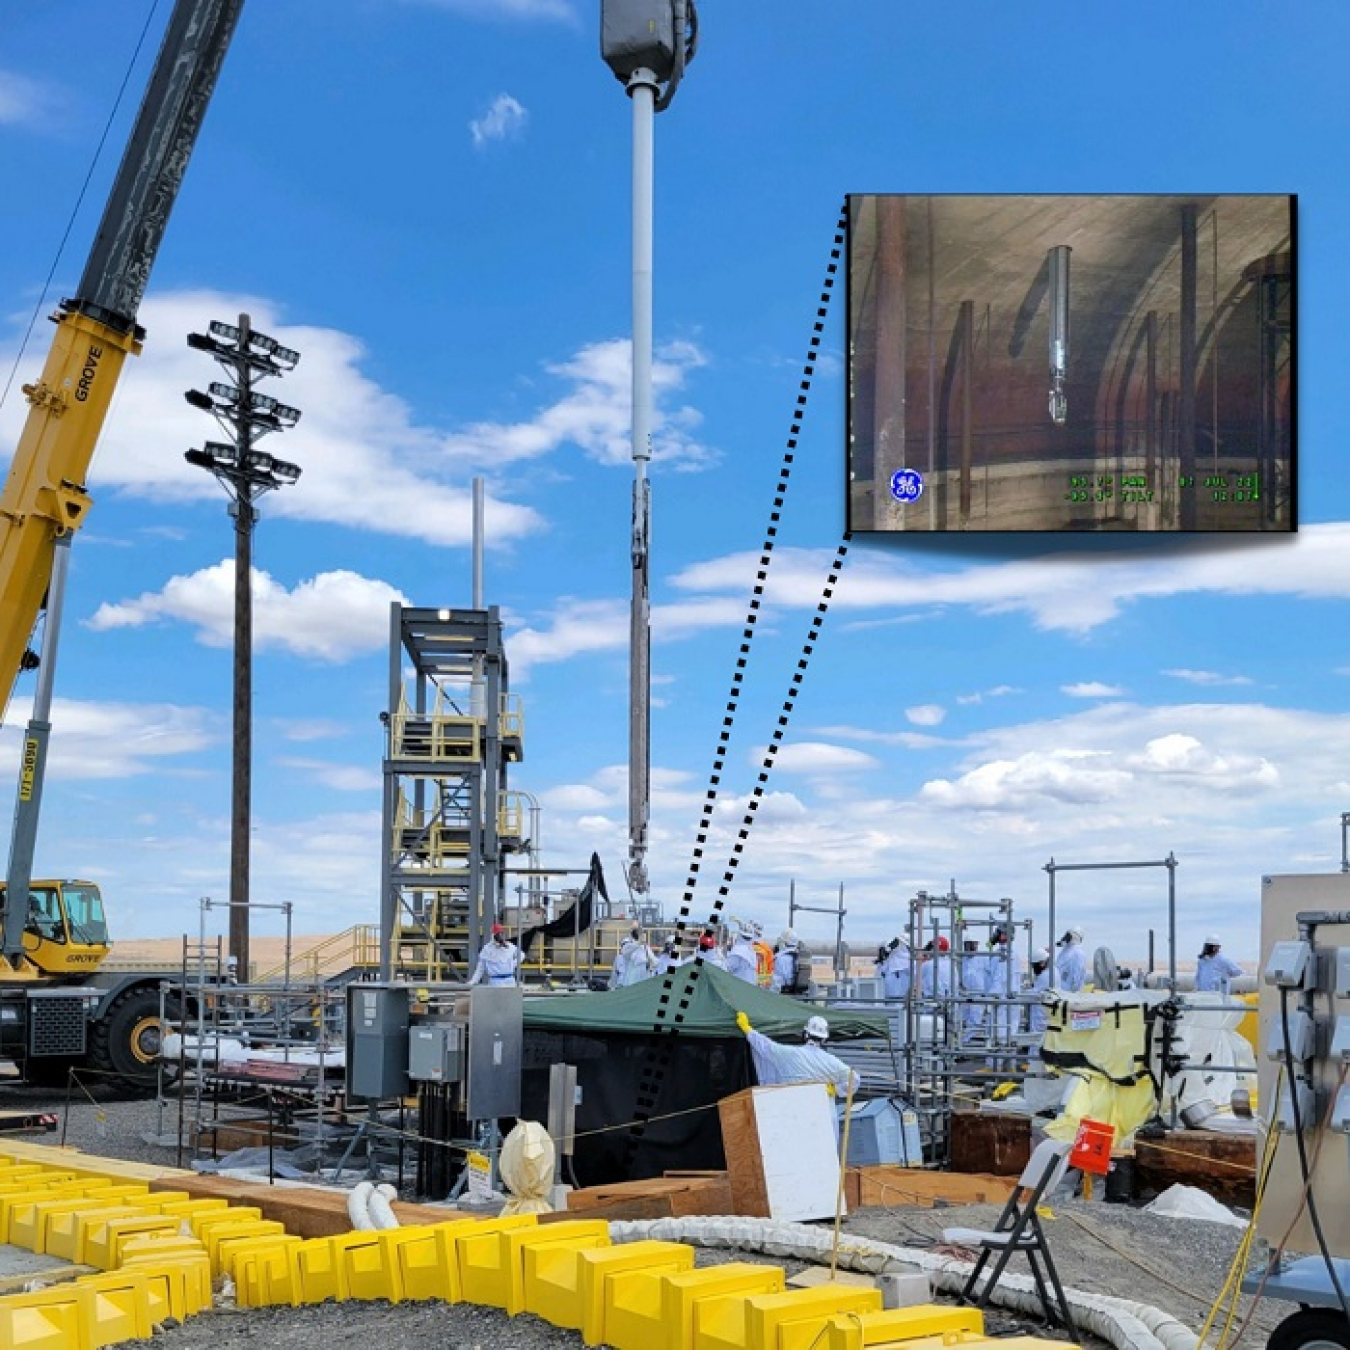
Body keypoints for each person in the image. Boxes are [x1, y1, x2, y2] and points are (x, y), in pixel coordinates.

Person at [735, 1010, 860, 1100]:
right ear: (824, 1039)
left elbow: (766, 1047)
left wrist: (748, 1029)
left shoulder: (791, 1054)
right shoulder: (831, 1062)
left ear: (805, 1034)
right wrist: (835, 1090)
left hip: (792, 1109)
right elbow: (854, 1079)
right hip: (822, 1116)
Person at [613, 923, 656, 987]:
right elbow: (626, 952)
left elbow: (654, 960)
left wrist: (651, 964)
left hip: (644, 977)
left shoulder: (646, 947)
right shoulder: (629, 946)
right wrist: (638, 943)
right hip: (632, 979)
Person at [1027, 946, 1053, 1036]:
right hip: (1046, 1013)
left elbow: (1033, 994)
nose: (1034, 969)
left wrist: (1026, 991)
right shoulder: (1052, 972)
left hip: (1041, 1015)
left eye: (1034, 966)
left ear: (1042, 963)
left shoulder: (1045, 976)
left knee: (1036, 1040)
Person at [771, 929, 805, 994]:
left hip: (783, 993)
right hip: (797, 992)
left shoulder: (780, 958)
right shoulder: (799, 956)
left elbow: (776, 982)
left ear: (785, 943)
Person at [1055, 926, 1086, 992]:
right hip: (1059, 990)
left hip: (1069, 993)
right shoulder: (1065, 950)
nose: (1065, 937)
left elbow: (1078, 976)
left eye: (1068, 935)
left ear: (1075, 936)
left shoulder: (1078, 953)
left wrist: (1073, 994)